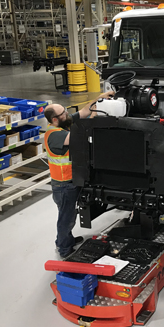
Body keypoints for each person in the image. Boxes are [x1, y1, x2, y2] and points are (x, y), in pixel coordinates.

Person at [44, 90, 115, 259]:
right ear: (55, 119)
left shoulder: (62, 123)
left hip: (70, 182)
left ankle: (65, 240)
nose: (67, 114)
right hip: (63, 185)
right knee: (66, 218)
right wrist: (94, 119)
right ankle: (64, 249)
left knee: (67, 215)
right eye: (64, 113)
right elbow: (80, 137)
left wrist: (100, 99)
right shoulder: (54, 135)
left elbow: (83, 111)